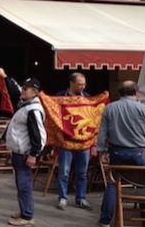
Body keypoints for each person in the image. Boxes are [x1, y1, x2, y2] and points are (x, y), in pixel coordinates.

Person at [97, 80, 145, 227]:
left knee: (113, 185)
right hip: (138, 153)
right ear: (135, 92)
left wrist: (102, 151)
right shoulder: (144, 109)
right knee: (143, 185)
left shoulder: (109, 108)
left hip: (117, 152)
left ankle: (105, 221)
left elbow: (102, 134)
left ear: (119, 92)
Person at [0, 68, 46, 227]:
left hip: (25, 154)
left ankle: (27, 216)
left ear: (35, 92)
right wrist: (5, 77)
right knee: (20, 184)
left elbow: (37, 135)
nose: (22, 90)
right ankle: (25, 210)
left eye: (26, 89)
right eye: (23, 87)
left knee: (24, 185)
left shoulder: (33, 110)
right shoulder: (26, 103)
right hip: (19, 152)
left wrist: (34, 154)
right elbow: (14, 90)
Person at [55, 72, 93, 210]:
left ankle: (81, 198)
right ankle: (62, 197)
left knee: (82, 172)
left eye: (84, 84)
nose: (82, 86)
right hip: (66, 141)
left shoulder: (88, 98)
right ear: (71, 83)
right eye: (79, 84)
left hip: (83, 142)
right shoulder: (60, 96)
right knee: (64, 171)